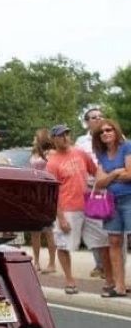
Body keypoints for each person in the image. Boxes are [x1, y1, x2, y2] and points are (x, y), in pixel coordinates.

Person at [45, 124, 111, 295]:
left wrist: (100, 188)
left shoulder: (80, 153)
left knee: (102, 241)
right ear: (54, 139)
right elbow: (53, 193)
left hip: (88, 204)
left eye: (67, 134)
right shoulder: (52, 163)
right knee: (64, 245)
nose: (65, 138)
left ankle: (109, 280)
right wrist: (61, 217)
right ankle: (69, 279)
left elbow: (95, 171)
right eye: (61, 135)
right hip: (67, 208)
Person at [91, 119, 131, 297]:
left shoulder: (127, 147)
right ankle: (119, 286)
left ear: (116, 131)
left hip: (129, 199)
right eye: (102, 131)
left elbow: (130, 175)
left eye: (109, 130)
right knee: (114, 242)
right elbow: (99, 182)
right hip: (110, 202)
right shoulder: (102, 155)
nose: (105, 133)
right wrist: (115, 173)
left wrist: (108, 175)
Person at [75, 107, 107, 279]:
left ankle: (112, 267)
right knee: (94, 228)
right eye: (94, 117)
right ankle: (100, 265)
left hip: (110, 186)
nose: (98, 119)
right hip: (91, 189)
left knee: (113, 229)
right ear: (87, 122)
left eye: (101, 116)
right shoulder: (81, 142)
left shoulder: (111, 135)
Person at [28, 128, 56, 273]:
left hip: (47, 191)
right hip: (35, 192)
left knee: (48, 230)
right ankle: (36, 261)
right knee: (35, 230)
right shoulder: (33, 153)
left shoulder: (50, 153)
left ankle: (52, 262)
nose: (33, 138)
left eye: (35, 136)